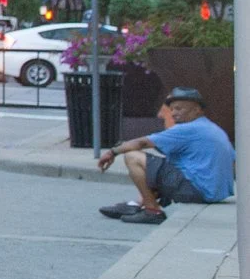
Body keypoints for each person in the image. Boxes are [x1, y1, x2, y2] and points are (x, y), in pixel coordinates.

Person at [98, 87, 235, 222]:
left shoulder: (187, 129)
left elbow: (142, 143)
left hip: (199, 190)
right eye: (172, 109)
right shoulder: (211, 127)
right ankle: (135, 205)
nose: (174, 113)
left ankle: (152, 210)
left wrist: (112, 152)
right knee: (160, 166)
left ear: (196, 109)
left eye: (179, 108)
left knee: (133, 156)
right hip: (215, 192)